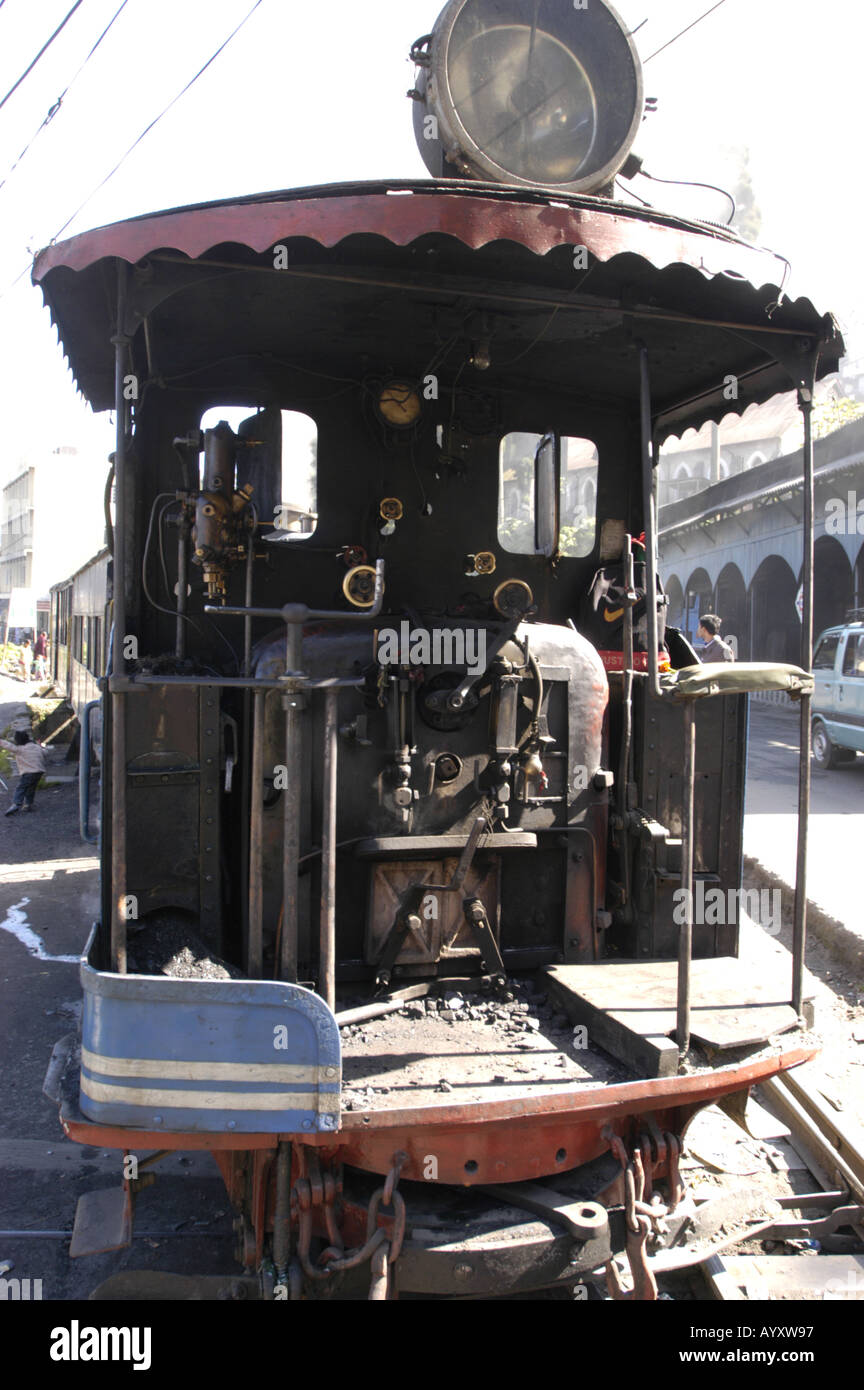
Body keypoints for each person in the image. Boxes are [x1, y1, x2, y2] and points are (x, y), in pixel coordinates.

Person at [1, 730, 47, 814]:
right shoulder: (36, 747)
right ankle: (28, 804)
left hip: (29, 772)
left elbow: (9, 746)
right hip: (39, 771)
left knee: (21, 788)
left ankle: (16, 803)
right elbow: (45, 752)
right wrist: (41, 747)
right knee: (31, 788)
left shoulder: (20, 749)